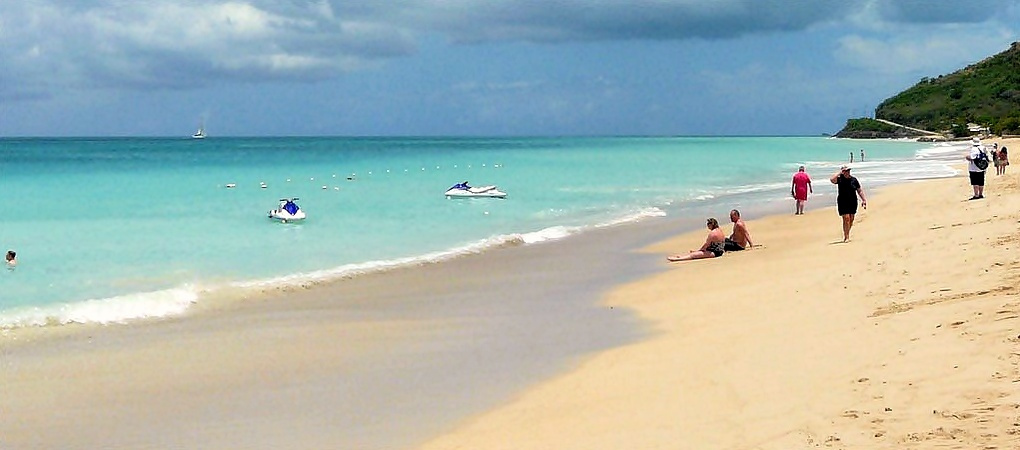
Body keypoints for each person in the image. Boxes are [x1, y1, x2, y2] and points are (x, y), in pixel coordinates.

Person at [830, 164, 867, 242]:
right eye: (846, 171)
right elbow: (832, 179)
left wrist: (863, 200)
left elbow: (859, 190)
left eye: (848, 171)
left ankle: (847, 232)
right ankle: (846, 237)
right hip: (842, 201)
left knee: (851, 219)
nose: (847, 172)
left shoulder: (854, 180)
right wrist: (840, 173)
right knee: (846, 218)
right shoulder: (840, 179)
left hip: (852, 201)